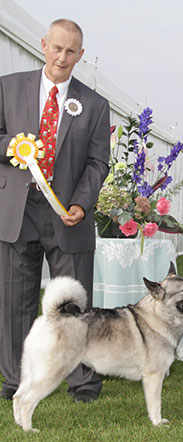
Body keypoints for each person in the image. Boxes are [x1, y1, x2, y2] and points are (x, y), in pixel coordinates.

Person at [0, 19, 110, 402]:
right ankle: (15, 379)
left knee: (74, 305)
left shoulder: (96, 104)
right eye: (57, 48)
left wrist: (80, 203)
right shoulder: (7, 86)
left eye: (71, 51)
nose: (62, 57)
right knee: (15, 300)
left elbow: (98, 163)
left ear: (80, 55)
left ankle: (82, 382)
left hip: (68, 215)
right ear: (44, 44)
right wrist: (14, 146)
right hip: (16, 211)